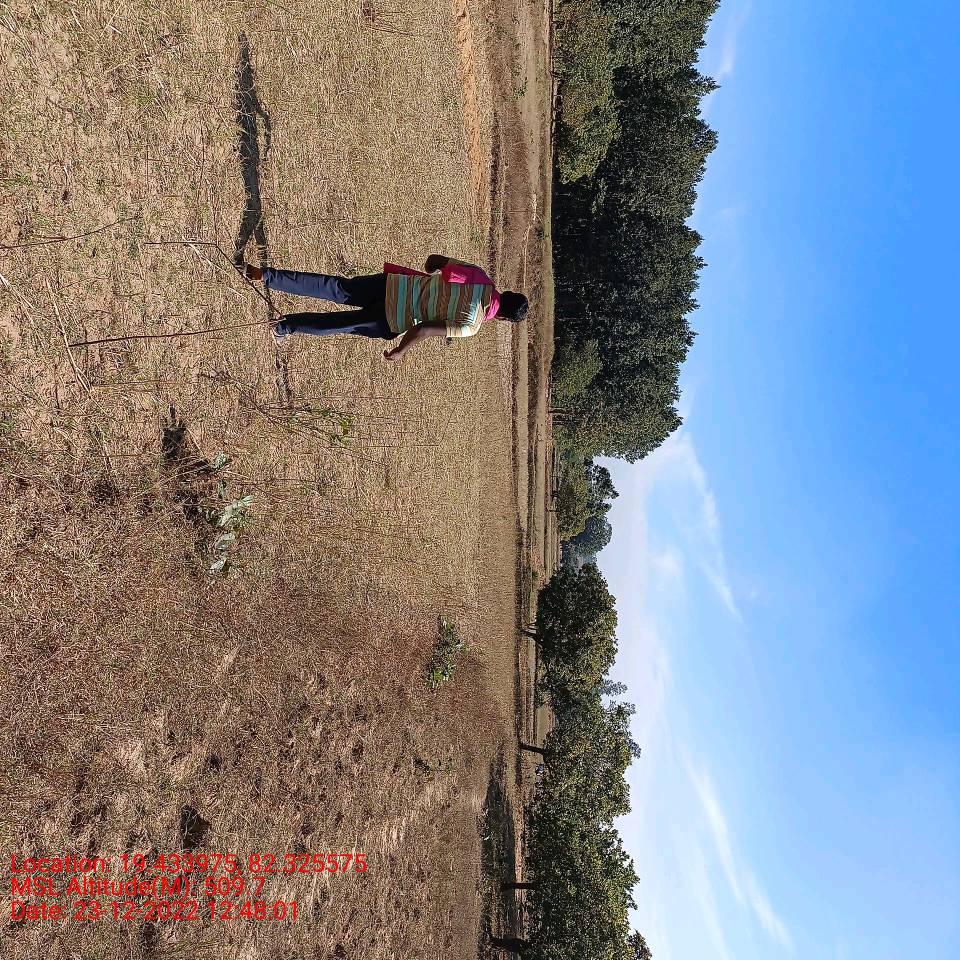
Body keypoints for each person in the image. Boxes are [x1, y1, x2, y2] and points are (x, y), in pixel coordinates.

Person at [239, 256, 529, 362]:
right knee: (338, 324)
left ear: (507, 292)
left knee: (336, 287)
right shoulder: (471, 326)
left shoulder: (479, 277)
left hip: (392, 285)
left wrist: (433, 273)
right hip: (391, 319)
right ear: (503, 318)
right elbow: (423, 329)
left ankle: (265, 275)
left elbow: (434, 261)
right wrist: (401, 350)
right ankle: (284, 326)